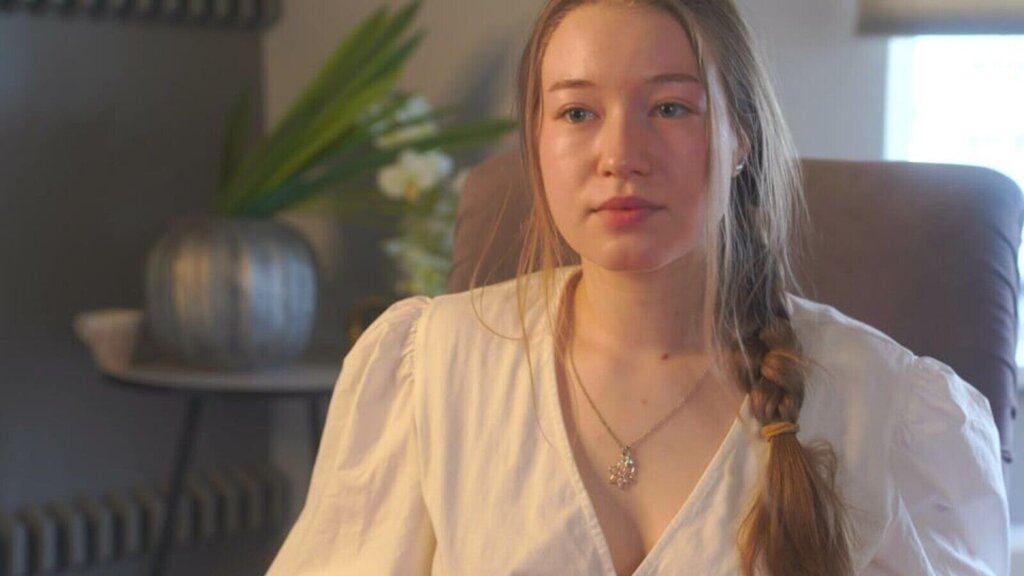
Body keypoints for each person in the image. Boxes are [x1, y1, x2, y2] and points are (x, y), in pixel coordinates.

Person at [266, 0, 1009, 574]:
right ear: (538, 141)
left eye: (670, 108)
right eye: (578, 112)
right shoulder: (428, 368)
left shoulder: (886, 406)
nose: (620, 155)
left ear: (741, 137)